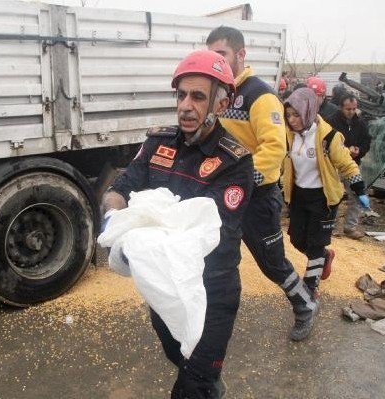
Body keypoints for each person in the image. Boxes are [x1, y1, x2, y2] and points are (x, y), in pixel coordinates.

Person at [101, 50, 253, 399]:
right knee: (177, 355)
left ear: (220, 103)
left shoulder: (235, 162)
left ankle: (203, 381)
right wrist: (114, 226)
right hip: (163, 289)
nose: (186, 105)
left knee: (190, 387)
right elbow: (120, 190)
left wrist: (140, 239)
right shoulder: (157, 143)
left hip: (211, 292)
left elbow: (209, 232)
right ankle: (206, 380)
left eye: (198, 96)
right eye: (181, 95)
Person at [206, 25, 319, 342]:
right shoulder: (218, 93)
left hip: (257, 196)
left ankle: (305, 304)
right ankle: (214, 316)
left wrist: (244, 181)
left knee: (272, 263)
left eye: (222, 55)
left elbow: (274, 149)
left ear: (240, 54)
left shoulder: (260, 96)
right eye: (211, 56)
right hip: (225, 194)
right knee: (217, 257)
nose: (216, 62)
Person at [282, 88, 370, 296]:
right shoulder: (289, 137)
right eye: (288, 116)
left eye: (296, 115)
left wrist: (360, 189)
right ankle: (325, 256)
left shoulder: (329, 137)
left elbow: (347, 165)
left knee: (315, 243)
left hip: (323, 198)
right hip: (298, 196)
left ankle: (311, 286)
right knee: (296, 239)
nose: (292, 120)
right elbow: (281, 163)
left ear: (308, 111)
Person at [326, 93, 372, 239]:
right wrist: (346, 149)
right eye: (348, 109)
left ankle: (350, 227)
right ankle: (329, 226)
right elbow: (326, 143)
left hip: (353, 165)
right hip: (334, 166)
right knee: (333, 196)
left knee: (356, 195)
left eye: (354, 109)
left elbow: (366, 142)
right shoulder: (331, 122)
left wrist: (359, 150)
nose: (351, 112)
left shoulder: (361, 124)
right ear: (341, 108)